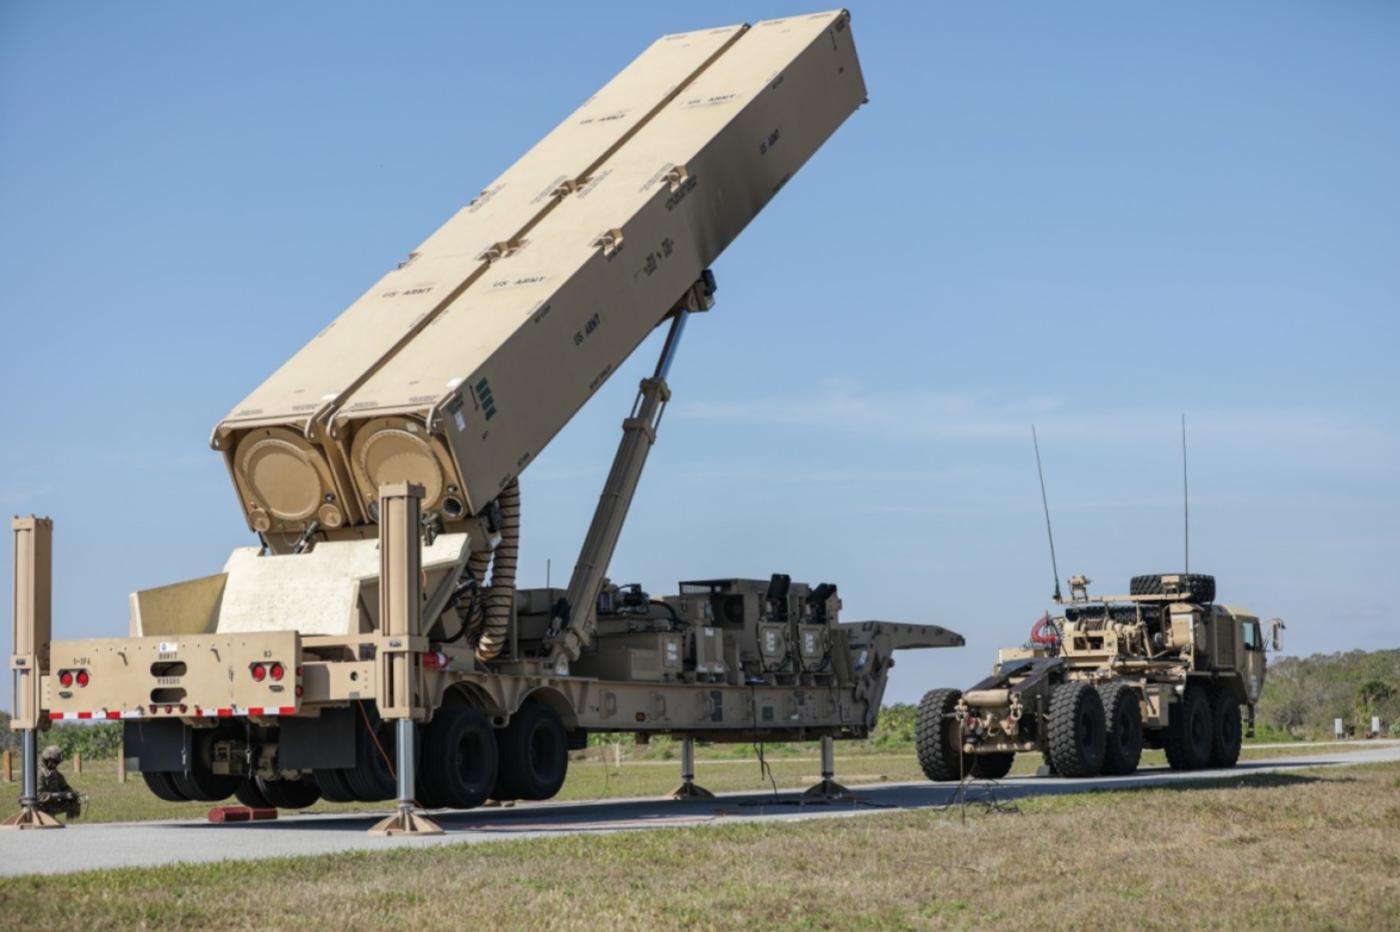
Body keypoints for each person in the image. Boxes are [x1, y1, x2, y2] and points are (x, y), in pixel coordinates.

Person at [36, 745, 82, 820]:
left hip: (49, 804)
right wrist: (62, 795)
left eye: (57, 762)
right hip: (38, 806)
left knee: (75, 801)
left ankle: (73, 824)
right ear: (47, 759)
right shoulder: (39, 774)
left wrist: (72, 793)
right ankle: (46, 818)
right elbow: (39, 796)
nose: (56, 764)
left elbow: (65, 787)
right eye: (55, 761)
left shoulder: (55, 774)